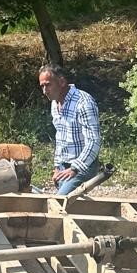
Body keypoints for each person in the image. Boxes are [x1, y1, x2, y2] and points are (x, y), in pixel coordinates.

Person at [38, 64, 100, 197]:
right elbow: (60, 138)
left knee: (60, 201)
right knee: (71, 205)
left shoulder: (83, 103)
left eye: (48, 85)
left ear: (61, 82)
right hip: (63, 166)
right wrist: (57, 167)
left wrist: (74, 169)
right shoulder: (55, 104)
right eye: (42, 86)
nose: (45, 91)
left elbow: (93, 141)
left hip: (84, 166)